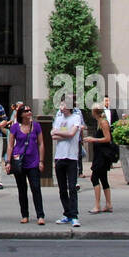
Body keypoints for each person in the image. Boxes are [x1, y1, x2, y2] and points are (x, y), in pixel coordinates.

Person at [4, 105, 46, 224]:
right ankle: (25, 214)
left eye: (30, 110)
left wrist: (41, 161)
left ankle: (40, 215)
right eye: (26, 111)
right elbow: (10, 145)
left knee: (36, 188)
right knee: (22, 189)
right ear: (21, 114)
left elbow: (41, 143)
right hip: (19, 161)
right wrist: (8, 161)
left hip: (33, 161)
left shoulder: (36, 126)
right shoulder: (15, 127)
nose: (29, 112)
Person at [51, 95, 84, 226]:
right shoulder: (59, 118)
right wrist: (61, 133)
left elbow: (72, 134)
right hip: (59, 156)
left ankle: (74, 215)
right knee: (62, 188)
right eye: (61, 104)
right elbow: (52, 134)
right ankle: (67, 213)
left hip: (71, 157)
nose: (62, 107)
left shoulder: (75, 118)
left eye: (64, 105)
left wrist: (59, 133)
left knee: (72, 187)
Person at [83, 104, 115, 214]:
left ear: (94, 112)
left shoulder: (103, 122)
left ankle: (97, 205)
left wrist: (93, 139)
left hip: (102, 155)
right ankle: (108, 204)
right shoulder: (100, 122)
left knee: (95, 178)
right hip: (100, 154)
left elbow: (107, 138)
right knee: (103, 178)